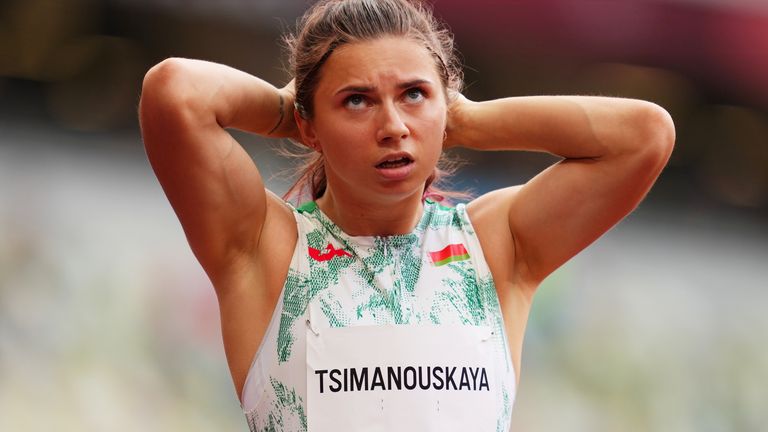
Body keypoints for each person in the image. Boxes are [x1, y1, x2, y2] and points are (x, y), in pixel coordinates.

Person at [138, 0, 675, 430]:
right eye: (356, 101)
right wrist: (294, 114)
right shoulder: (264, 248)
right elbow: (176, 93)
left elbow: (646, 135)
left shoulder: (496, 245)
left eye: (414, 94)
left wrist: (465, 118)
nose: (392, 125)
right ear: (310, 125)